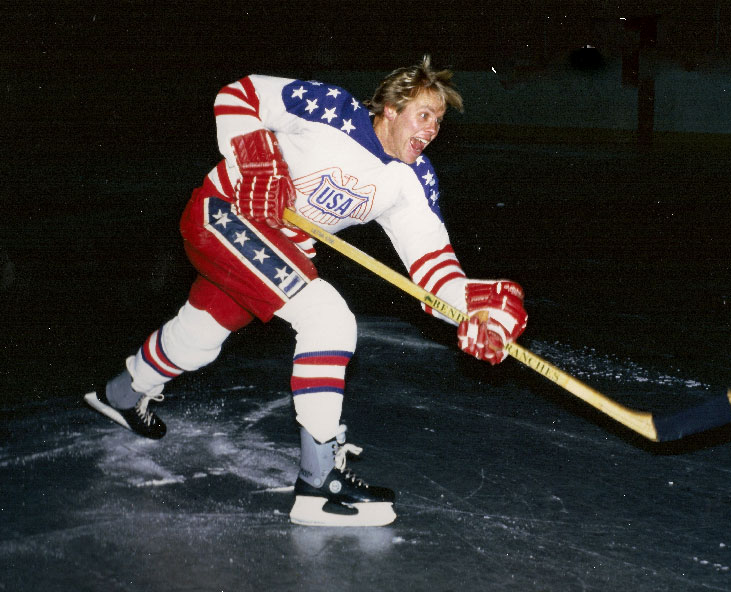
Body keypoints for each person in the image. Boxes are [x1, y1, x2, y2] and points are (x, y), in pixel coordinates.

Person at [84, 55, 528, 527]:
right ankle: (318, 485)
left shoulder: (411, 180)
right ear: (391, 109)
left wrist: (471, 313)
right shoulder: (330, 108)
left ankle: (122, 393)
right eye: (425, 114)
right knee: (328, 318)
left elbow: (434, 269)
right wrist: (257, 155)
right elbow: (241, 93)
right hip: (225, 215)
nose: (433, 128)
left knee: (198, 337)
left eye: (439, 121)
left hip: (272, 252)